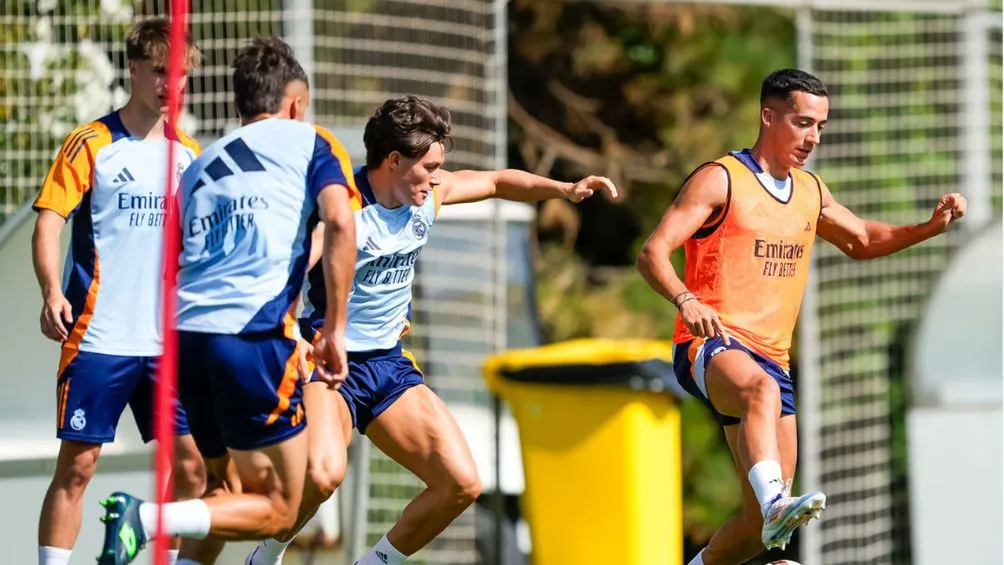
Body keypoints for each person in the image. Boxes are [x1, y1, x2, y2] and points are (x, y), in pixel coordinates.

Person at [244, 94, 619, 565]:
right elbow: (280, 280)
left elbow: (498, 181)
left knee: (461, 483)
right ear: (395, 160)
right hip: (330, 364)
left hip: (388, 365)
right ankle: (266, 555)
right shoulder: (343, 212)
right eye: (430, 165)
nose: (439, 177)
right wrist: (293, 341)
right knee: (323, 475)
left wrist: (562, 188)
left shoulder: (428, 196)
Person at [636, 68, 967, 565]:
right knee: (759, 399)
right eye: (802, 122)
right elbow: (653, 253)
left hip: (774, 360)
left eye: (820, 126)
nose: (812, 137)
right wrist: (687, 300)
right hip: (711, 344)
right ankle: (775, 505)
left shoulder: (810, 191)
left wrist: (929, 226)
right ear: (769, 116)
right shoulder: (721, 179)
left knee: (756, 531)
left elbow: (861, 240)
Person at [95, 36, 361, 565]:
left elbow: (172, 264)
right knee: (281, 507)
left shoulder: (198, 166)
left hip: (184, 342)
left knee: (225, 487)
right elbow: (339, 221)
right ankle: (145, 519)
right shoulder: (311, 141)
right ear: (295, 103)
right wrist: (334, 328)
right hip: (252, 338)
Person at [31, 18, 207, 565]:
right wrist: (50, 290)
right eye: (158, 72)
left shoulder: (190, 155)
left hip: (168, 345)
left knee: (192, 466)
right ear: (132, 68)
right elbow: (49, 222)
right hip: (99, 336)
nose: (168, 85)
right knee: (78, 468)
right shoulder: (92, 143)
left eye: (178, 75)